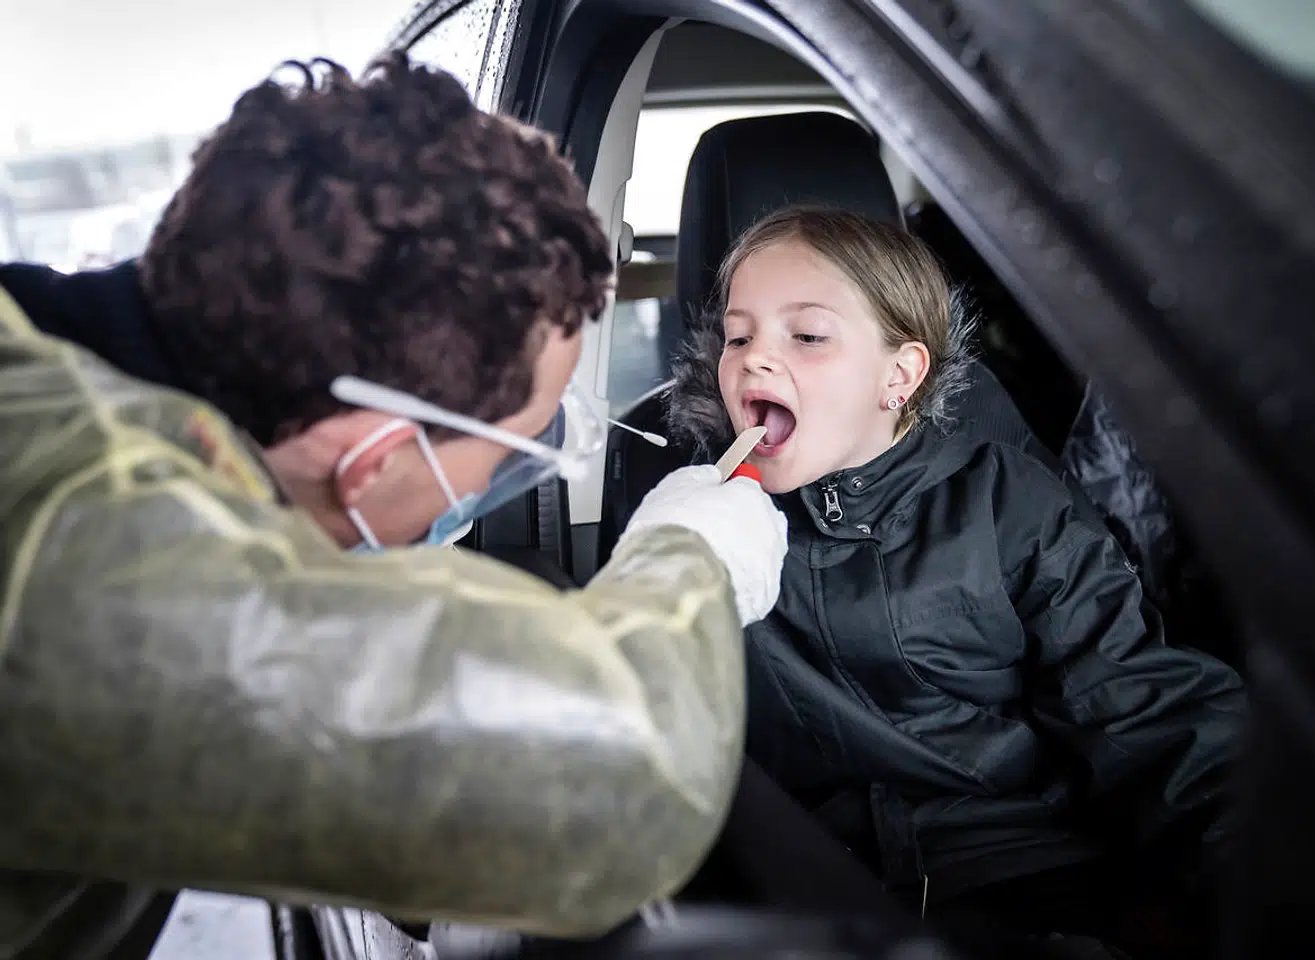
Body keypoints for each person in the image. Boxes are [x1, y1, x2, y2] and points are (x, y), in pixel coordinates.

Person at [0, 54, 788, 959]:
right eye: (512, 454)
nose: (502, 486)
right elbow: (611, 789)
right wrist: (696, 552)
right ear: (369, 464)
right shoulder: (76, 552)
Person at [665, 206, 1247, 956]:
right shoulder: (703, 519)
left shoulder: (1011, 505)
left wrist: (1251, 864)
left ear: (898, 376)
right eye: (739, 337)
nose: (754, 361)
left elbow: (1136, 700)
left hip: (1017, 865)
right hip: (805, 882)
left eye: (806, 336)